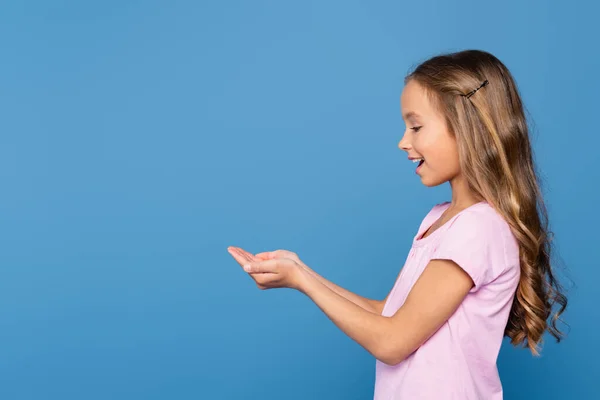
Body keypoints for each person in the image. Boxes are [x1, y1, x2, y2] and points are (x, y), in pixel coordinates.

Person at [227, 49, 568, 399]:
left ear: (469, 127)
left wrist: (302, 281)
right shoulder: (440, 219)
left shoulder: (479, 228)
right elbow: (388, 315)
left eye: (416, 126)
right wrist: (301, 272)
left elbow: (392, 342)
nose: (403, 142)